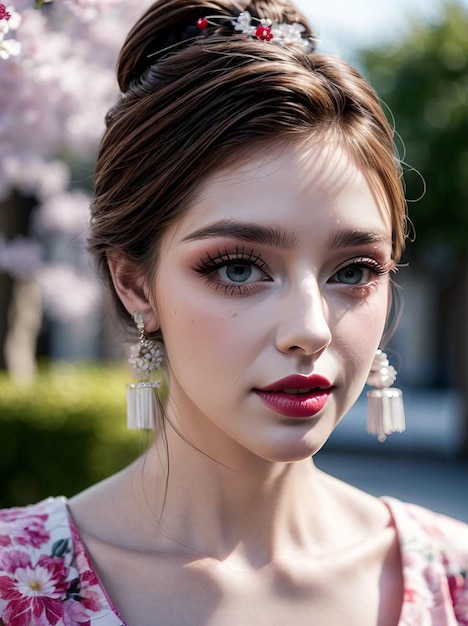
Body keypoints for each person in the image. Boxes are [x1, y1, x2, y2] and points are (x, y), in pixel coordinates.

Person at [1, 0, 467, 624]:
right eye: (238, 268)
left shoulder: (454, 577)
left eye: (353, 270)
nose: (310, 328)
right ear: (135, 283)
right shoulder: (15, 582)